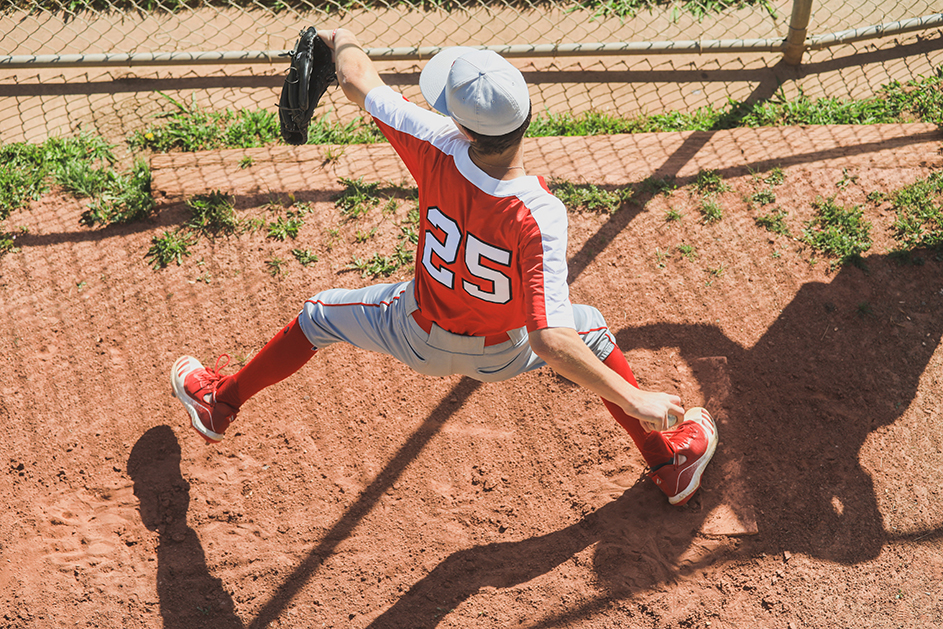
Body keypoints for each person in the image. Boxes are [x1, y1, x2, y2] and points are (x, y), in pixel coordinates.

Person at [170, 28, 718, 506]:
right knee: (589, 327)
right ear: (526, 117)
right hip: (504, 355)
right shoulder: (540, 213)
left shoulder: (434, 141)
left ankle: (220, 403)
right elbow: (551, 340)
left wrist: (339, 39)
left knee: (317, 317)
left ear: (464, 126)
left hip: (414, 333)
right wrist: (634, 398)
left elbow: (361, 81)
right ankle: (668, 463)